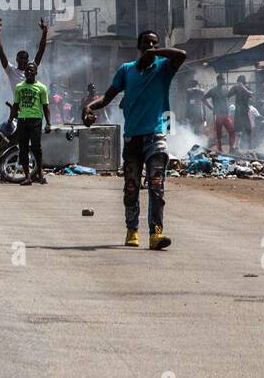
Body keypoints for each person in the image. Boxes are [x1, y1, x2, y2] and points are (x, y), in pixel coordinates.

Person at [82, 30, 186, 250]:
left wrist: (156, 53)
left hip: (156, 136)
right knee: (131, 187)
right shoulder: (126, 70)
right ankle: (132, 229)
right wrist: (89, 108)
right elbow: (107, 97)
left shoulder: (163, 68)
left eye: (154, 43)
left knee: (156, 186)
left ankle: (156, 233)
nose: (150, 46)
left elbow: (181, 55)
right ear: (138, 46)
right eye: (146, 43)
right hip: (132, 138)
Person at [8, 61, 51, 185]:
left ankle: (40, 173)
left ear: (36, 72)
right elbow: (16, 104)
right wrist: (10, 119)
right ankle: (27, 177)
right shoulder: (19, 87)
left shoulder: (41, 87)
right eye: (27, 70)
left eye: (31, 70)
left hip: (36, 120)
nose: (29, 72)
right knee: (23, 149)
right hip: (22, 120)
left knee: (37, 148)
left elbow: (45, 106)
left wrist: (48, 123)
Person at [0, 17, 48, 87]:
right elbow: (1, 53)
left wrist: (44, 33)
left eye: (25, 58)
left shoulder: (31, 68)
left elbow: (41, 51)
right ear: (17, 59)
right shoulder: (11, 71)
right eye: (21, 58)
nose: (23, 61)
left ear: (28, 60)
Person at [205, 73, 236, 153]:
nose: (225, 80)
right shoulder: (213, 90)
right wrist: (210, 107)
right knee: (219, 134)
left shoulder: (225, 89)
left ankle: (231, 148)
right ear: (219, 80)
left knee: (232, 131)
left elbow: (228, 97)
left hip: (226, 115)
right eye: (223, 79)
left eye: (224, 79)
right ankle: (220, 150)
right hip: (218, 115)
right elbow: (203, 98)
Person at [230, 75, 253, 150]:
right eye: (239, 81)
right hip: (238, 112)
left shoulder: (247, 88)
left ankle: (250, 147)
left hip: (245, 112)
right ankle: (236, 147)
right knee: (237, 130)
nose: (239, 83)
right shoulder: (236, 89)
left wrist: (243, 87)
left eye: (241, 81)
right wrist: (234, 88)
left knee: (248, 129)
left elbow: (251, 94)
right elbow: (228, 95)